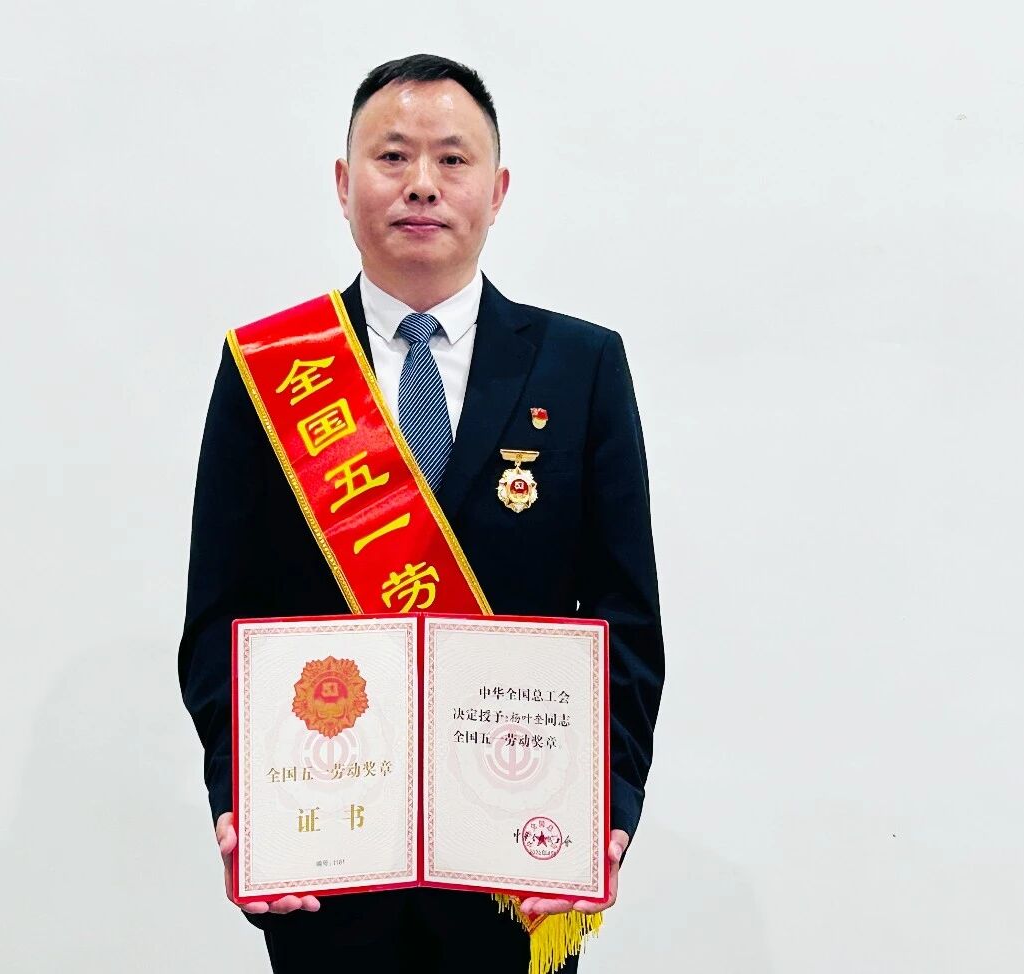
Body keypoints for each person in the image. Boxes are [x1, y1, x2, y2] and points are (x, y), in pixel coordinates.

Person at [179, 53, 665, 974]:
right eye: (393, 156)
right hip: (328, 852)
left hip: (518, 856)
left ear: (498, 189)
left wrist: (605, 809)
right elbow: (219, 618)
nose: (422, 185)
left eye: (452, 159)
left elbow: (624, 617)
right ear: (343, 182)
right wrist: (242, 798)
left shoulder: (582, 366)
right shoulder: (269, 369)